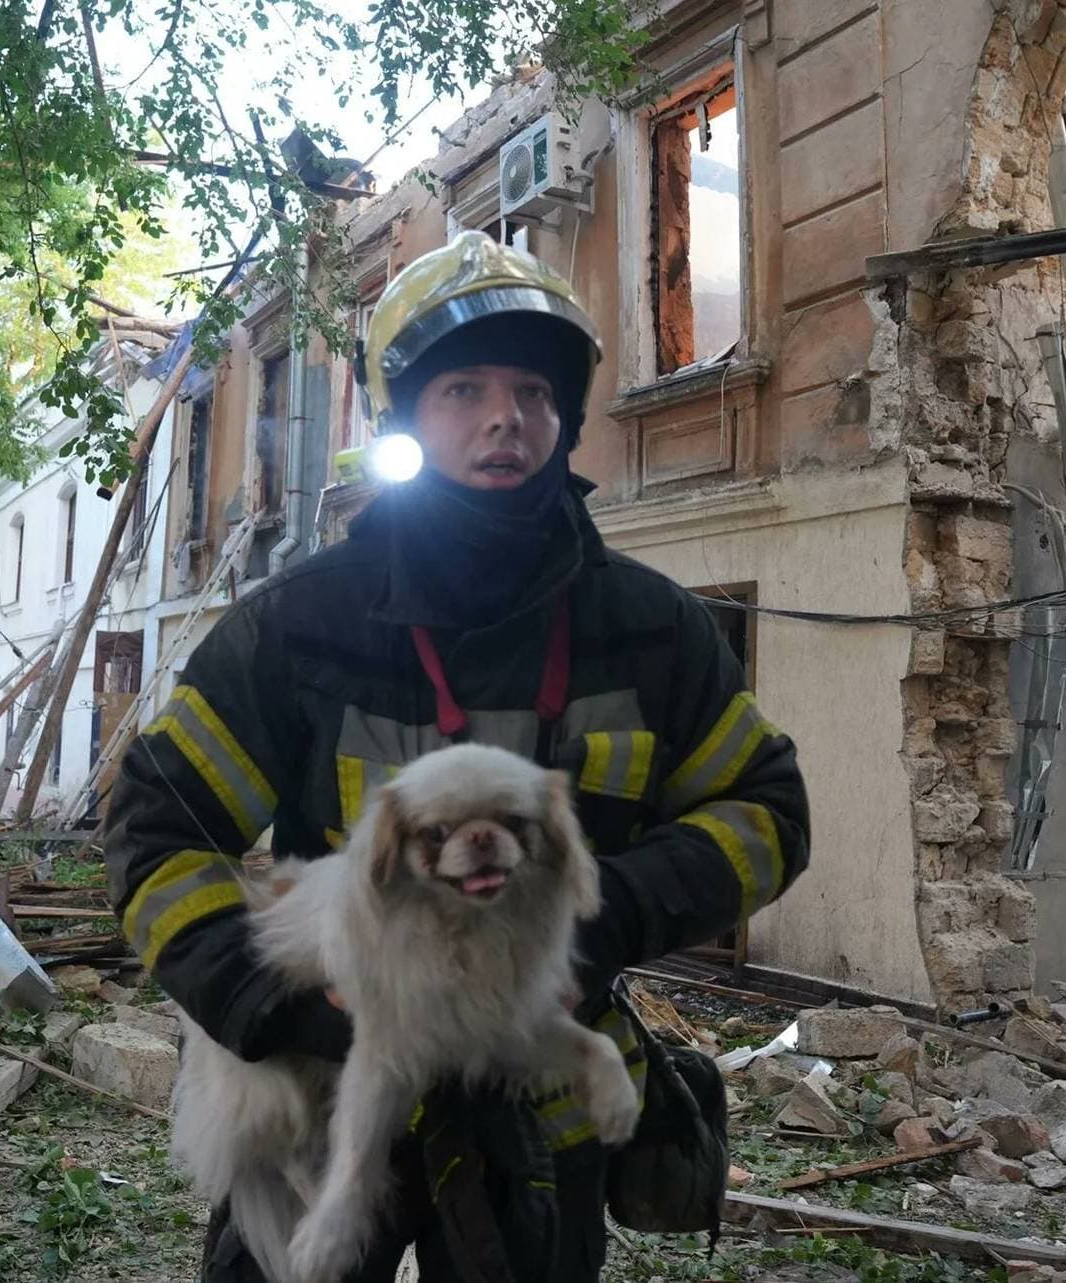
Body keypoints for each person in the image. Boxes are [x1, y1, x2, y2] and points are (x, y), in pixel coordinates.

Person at [102, 230, 811, 1280]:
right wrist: (278, 1004)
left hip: (538, 1084)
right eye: (462, 388)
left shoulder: (650, 630)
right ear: (407, 416)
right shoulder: (304, 627)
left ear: (564, 418)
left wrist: (598, 913)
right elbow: (162, 830)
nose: (502, 418)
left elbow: (766, 811)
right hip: (332, 1086)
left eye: (533, 389)